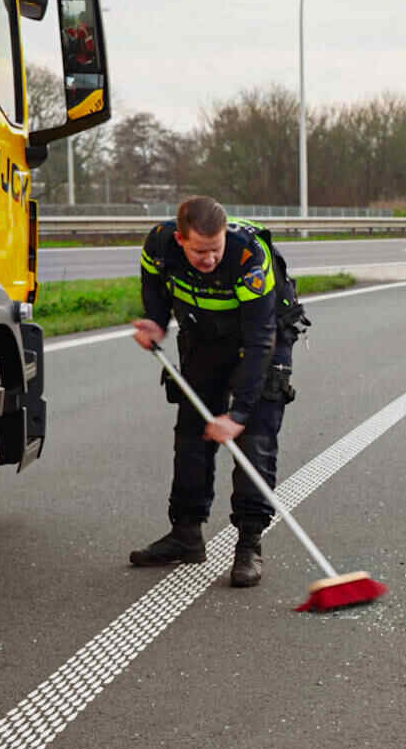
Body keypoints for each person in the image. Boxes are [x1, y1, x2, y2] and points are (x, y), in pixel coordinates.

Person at [129, 196, 304, 587]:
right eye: (199, 251)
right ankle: (186, 533)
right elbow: (155, 289)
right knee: (192, 432)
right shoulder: (158, 245)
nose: (208, 260)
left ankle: (249, 544)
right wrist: (156, 323)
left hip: (262, 340)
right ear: (180, 239)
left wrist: (239, 414)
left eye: (215, 250)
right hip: (205, 335)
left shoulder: (248, 258)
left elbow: (261, 340)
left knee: (255, 439)